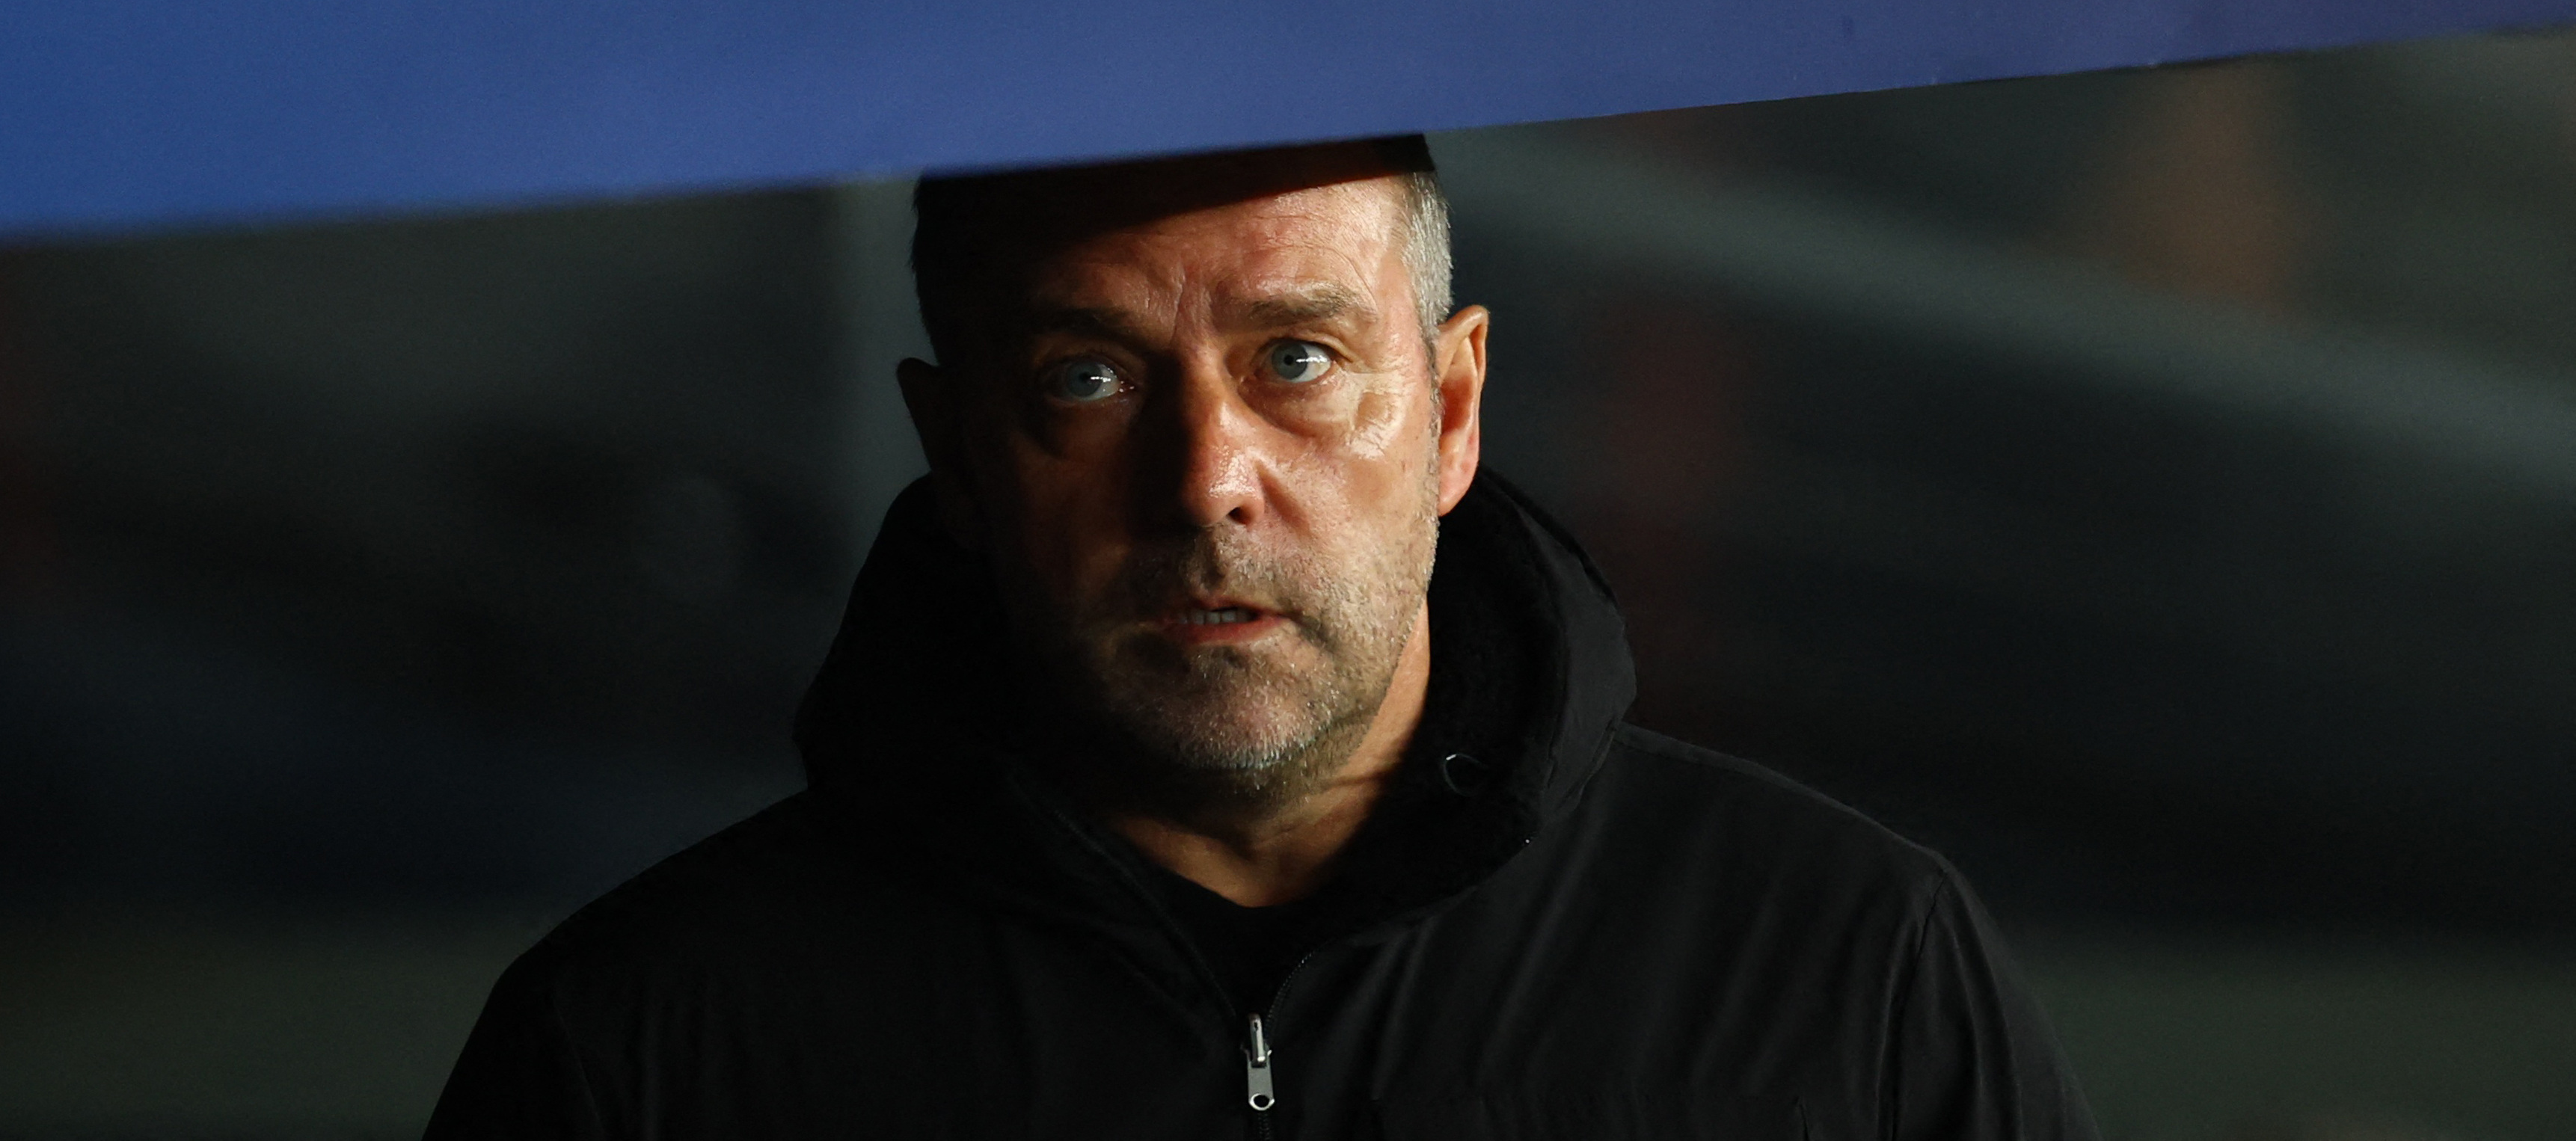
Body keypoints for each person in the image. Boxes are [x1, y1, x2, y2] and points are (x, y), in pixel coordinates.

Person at [426, 135, 2100, 1140]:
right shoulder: (653, 1054)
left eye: (1295, 358)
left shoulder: (1845, 977)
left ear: (1450, 411)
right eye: (1088, 376)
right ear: (956, 454)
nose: (1208, 480)